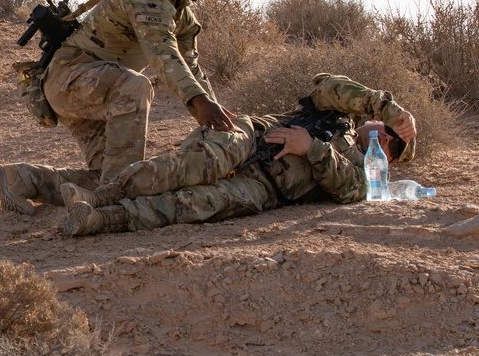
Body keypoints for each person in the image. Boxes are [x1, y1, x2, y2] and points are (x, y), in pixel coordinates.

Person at [0, 0, 238, 215]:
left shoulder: (181, 14)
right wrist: (199, 102)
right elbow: (163, 54)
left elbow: (191, 68)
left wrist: (216, 121)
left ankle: (21, 179)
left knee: (112, 176)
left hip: (102, 92)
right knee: (137, 88)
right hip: (71, 78)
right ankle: (113, 203)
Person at [58, 73, 418, 236]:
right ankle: (98, 195)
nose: (381, 134)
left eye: (390, 141)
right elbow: (328, 86)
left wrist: (311, 148)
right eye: (385, 128)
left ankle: (97, 221)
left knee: (193, 204)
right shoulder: (339, 112)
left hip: (263, 188)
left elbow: (348, 190)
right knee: (197, 165)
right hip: (248, 137)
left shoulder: (364, 170)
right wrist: (390, 109)